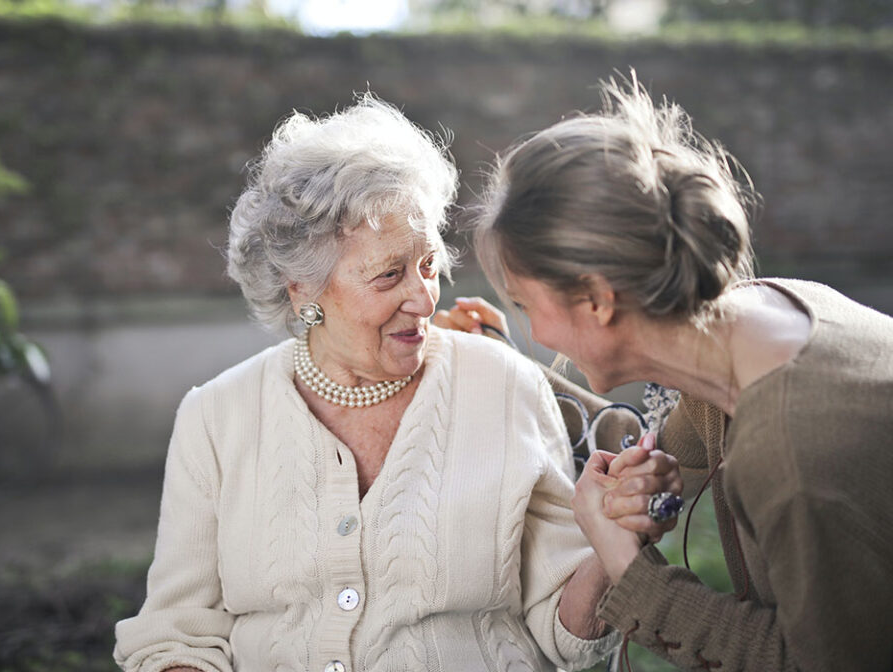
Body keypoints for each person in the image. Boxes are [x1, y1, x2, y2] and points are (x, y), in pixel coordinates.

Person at [113, 94, 681, 672]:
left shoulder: (502, 385)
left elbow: (568, 634)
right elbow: (176, 634)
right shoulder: (216, 416)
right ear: (301, 290)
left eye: (429, 265)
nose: (424, 296)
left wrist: (611, 538)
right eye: (389, 275)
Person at [454, 72, 893, 672]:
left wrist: (633, 573)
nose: (538, 335)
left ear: (597, 300)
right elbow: (657, 456)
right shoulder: (765, 315)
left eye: (527, 307)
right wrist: (488, 357)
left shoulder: (791, 455)